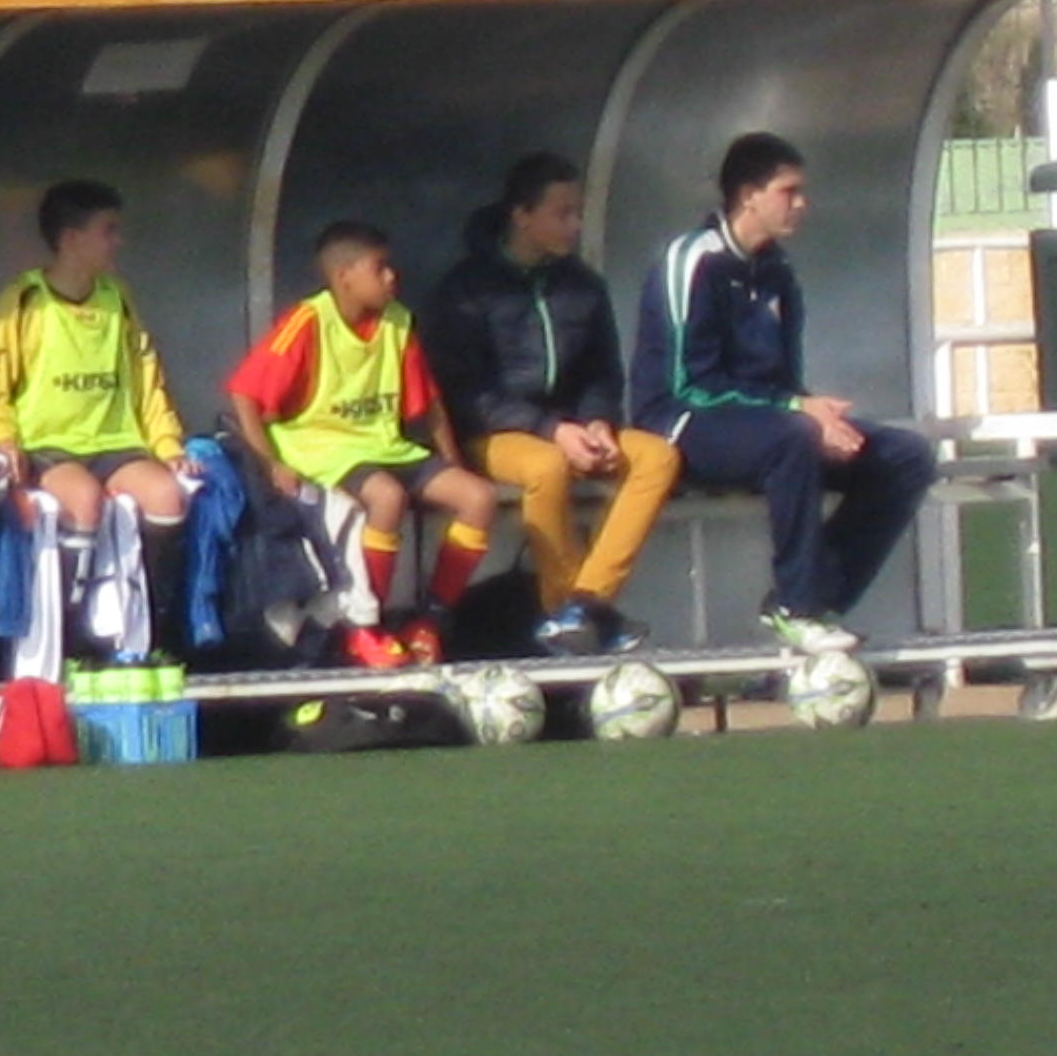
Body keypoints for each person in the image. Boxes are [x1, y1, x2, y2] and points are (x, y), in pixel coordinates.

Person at [631, 132, 936, 653]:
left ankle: (816, 598)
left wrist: (817, 416)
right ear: (749, 195)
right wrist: (797, 411)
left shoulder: (778, 270)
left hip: (766, 419)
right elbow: (688, 383)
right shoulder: (695, 259)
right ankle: (800, 606)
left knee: (905, 456)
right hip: (682, 421)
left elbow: (783, 380)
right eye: (788, 191)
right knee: (792, 437)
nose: (801, 204)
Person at [426, 152, 680, 654]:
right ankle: (562, 605)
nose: (574, 225)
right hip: (493, 434)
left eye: (578, 213)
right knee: (546, 466)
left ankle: (586, 604)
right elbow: (465, 390)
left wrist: (598, 422)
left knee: (658, 457)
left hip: (571, 428)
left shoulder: (582, 285)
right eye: (562, 213)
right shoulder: (466, 289)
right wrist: (551, 429)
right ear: (522, 215)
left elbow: (602, 371)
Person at [226, 221, 497, 668]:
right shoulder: (308, 322)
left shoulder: (398, 321)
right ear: (344, 276)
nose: (392, 277)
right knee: (386, 497)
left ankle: (431, 620)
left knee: (478, 498)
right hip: (323, 448)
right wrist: (270, 462)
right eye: (380, 268)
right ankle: (363, 626)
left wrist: (451, 460)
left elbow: (427, 404)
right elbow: (245, 394)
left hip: (383, 445)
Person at [0, 180, 193, 648]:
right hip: (50, 445)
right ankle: (72, 634)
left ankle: (149, 624)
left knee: (167, 496)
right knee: (84, 501)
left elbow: (147, 376)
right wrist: (4, 439)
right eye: (108, 231)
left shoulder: (117, 297)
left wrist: (167, 444)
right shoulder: (25, 300)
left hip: (115, 442)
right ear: (71, 239)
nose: (118, 242)